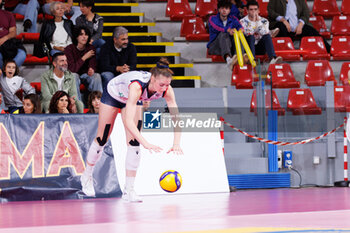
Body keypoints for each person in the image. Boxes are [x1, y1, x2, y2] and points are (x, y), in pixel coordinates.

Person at [80, 57, 183, 202]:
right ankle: (86, 175)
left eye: (167, 85)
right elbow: (128, 121)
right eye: (161, 85)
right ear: (152, 79)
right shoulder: (137, 86)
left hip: (133, 100)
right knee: (102, 138)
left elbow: (176, 117)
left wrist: (176, 143)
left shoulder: (167, 89)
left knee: (134, 143)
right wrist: (146, 143)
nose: (164, 88)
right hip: (114, 94)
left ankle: (129, 190)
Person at [64, 26, 103, 101]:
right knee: (73, 76)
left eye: (86, 34)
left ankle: (98, 104)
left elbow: (93, 63)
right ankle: (78, 106)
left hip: (86, 75)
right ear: (76, 37)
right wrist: (84, 58)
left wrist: (92, 69)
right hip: (74, 74)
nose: (84, 37)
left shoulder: (91, 48)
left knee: (97, 76)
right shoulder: (69, 49)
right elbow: (72, 69)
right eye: (81, 35)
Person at [207, 0, 245, 70]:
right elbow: (217, 28)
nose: (224, 10)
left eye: (226, 8)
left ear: (230, 10)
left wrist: (241, 29)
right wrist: (228, 30)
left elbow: (240, 26)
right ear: (219, 9)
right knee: (223, 34)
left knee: (239, 34)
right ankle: (228, 59)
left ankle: (239, 56)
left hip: (228, 47)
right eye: (222, 8)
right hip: (215, 47)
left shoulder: (233, 19)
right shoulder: (212, 18)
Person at [0, 0, 27, 69]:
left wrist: (4, 38)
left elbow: (13, 32)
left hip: (8, 43)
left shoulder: (8, 14)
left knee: (22, 54)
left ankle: (6, 73)